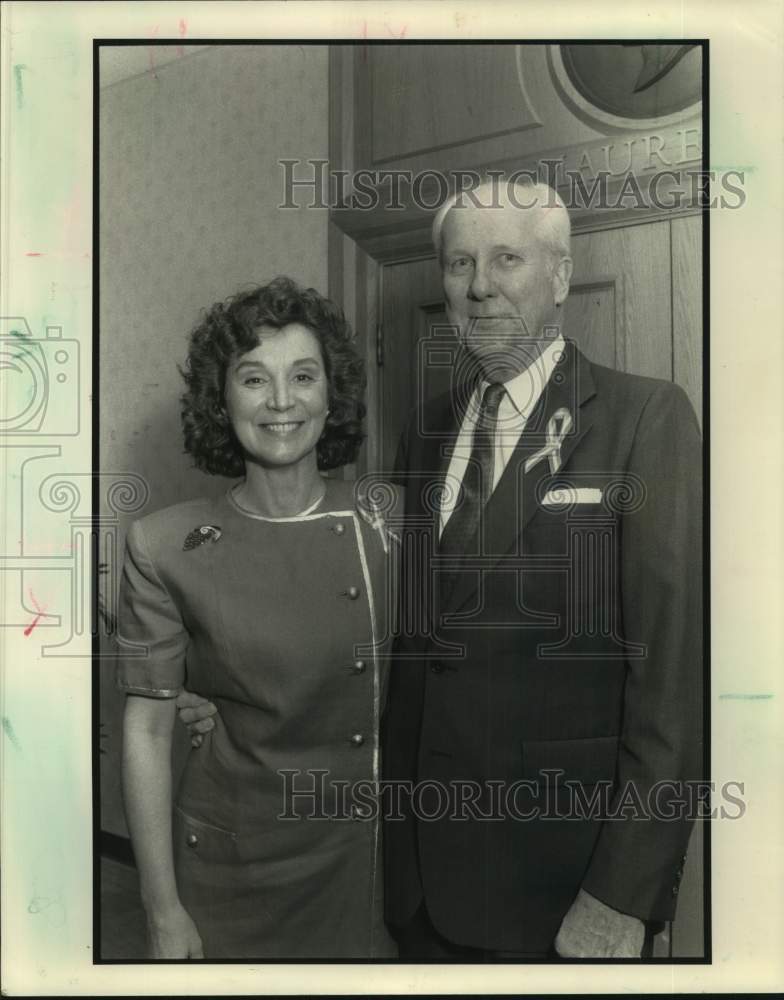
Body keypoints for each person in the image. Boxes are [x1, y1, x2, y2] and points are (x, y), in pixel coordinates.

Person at [178, 177, 703, 960]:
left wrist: (623, 893)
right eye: (460, 265)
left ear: (559, 277)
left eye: (506, 259)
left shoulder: (644, 419)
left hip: (561, 889)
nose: (480, 287)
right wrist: (240, 698)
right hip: (414, 878)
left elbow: (675, 682)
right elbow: (393, 638)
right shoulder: (428, 430)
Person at [117, 275, 400, 960]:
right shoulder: (163, 545)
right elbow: (149, 732)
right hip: (229, 867)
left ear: (333, 398)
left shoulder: (387, 521)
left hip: (360, 864)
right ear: (221, 399)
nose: (281, 401)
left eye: (303, 376)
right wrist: (162, 912)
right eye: (253, 379)